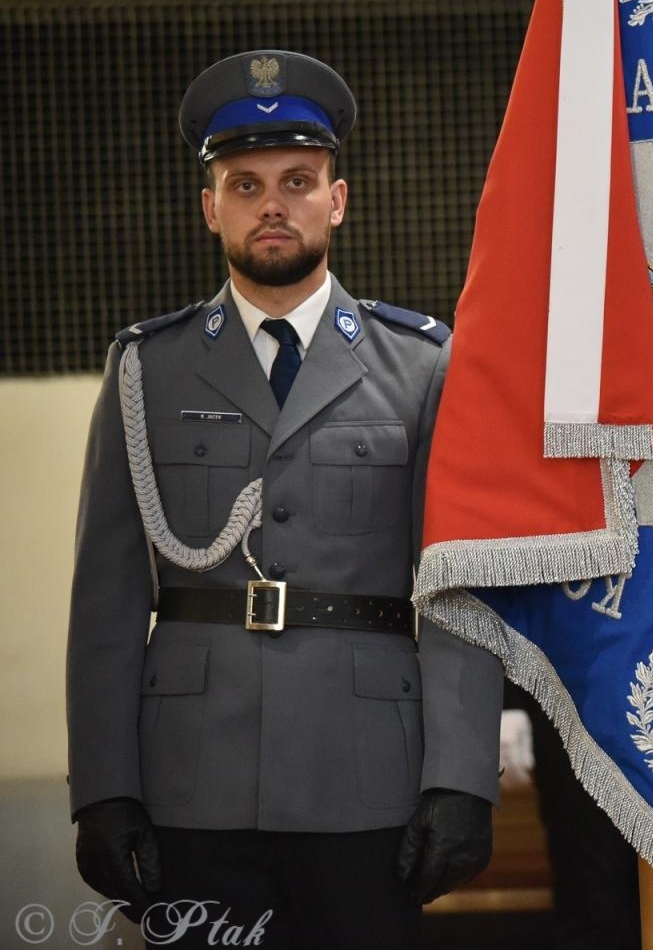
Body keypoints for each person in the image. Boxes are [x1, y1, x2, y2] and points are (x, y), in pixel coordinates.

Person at [66, 50, 504, 946]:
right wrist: (104, 788)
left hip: (368, 778)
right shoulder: (147, 367)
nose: (273, 204)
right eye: (246, 184)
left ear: (336, 201)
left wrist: (461, 778)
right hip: (193, 779)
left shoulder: (423, 365)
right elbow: (105, 600)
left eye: (298, 182)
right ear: (211, 208)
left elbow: (456, 589)